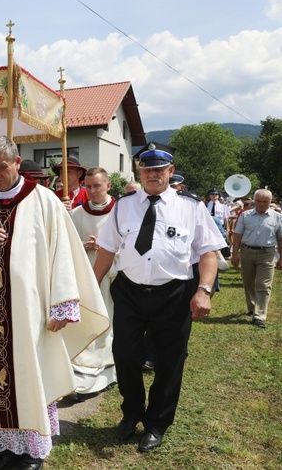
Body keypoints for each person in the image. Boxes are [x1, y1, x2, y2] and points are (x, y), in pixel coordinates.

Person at [0, 136, 109, 470]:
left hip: (30, 313)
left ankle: (31, 451)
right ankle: (5, 448)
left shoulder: (44, 201)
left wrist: (62, 305)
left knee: (29, 375)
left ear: (17, 163)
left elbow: (62, 252)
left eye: (2, 167)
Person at [92, 145, 225, 453]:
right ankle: (131, 414)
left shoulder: (191, 207)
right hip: (129, 291)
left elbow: (208, 252)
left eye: (158, 169)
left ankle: (156, 424)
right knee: (125, 356)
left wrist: (203, 291)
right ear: (140, 172)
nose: (152, 174)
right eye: (146, 169)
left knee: (169, 362)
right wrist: (90, 286)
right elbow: (108, 250)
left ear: (170, 171)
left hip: (174, 295)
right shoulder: (124, 205)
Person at [69, 167, 117, 401]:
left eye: (97, 186)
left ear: (108, 185)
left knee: (108, 321)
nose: (92, 191)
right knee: (86, 322)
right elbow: (65, 243)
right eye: (88, 186)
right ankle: (83, 373)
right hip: (84, 278)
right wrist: (82, 244)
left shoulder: (120, 212)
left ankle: (108, 371)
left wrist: (108, 248)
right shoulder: (77, 214)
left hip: (112, 278)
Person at [231, 189, 282, 329]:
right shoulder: (245, 216)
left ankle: (259, 315)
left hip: (267, 253)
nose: (262, 204)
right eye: (259, 201)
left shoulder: (277, 217)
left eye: (265, 201)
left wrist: (281, 258)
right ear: (254, 201)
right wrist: (235, 254)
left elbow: (280, 239)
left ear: (270, 202)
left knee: (264, 285)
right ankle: (252, 306)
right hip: (247, 252)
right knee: (248, 282)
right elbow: (237, 237)